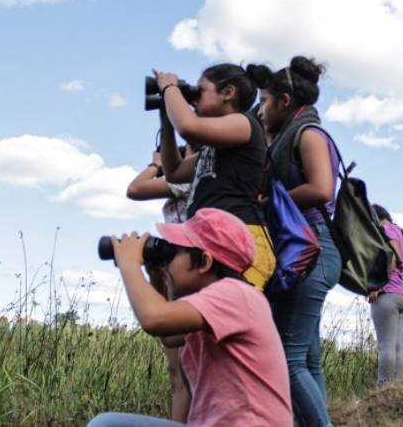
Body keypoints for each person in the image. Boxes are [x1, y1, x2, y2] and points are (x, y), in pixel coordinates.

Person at [87, 208, 292, 427]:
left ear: (204, 262)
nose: (169, 261)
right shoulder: (217, 304)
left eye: (174, 252)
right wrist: (157, 277)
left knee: (105, 425)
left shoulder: (235, 294)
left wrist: (129, 263)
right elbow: (169, 335)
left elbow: (154, 319)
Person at [248, 56, 341, 427]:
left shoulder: (309, 134)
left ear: (285, 101)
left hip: (311, 248)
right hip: (304, 249)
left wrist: (267, 199)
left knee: (287, 359)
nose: (261, 108)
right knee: (307, 359)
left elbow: (321, 189)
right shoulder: (286, 135)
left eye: (265, 101)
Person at [155, 65, 275, 291]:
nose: (192, 100)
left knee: (229, 318)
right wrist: (166, 119)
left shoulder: (245, 123)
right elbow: (174, 171)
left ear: (228, 92)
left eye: (199, 91)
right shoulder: (215, 146)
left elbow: (189, 127)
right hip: (215, 239)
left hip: (241, 239)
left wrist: (170, 87)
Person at [126, 146, 194, 423]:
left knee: (185, 372)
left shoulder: (195, 177)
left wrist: (156, 166)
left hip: (190, 271)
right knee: (176, 371)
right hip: (173, 269)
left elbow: (135, 188)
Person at [367, 204, 403, 386]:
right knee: (398, 346)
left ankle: (384, 387)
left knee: (386, 346)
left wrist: (377, 286)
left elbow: (393, 255)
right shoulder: (401, 233)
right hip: (401, 294)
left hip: (387, 294)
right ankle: (399, 387)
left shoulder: (386, 230)